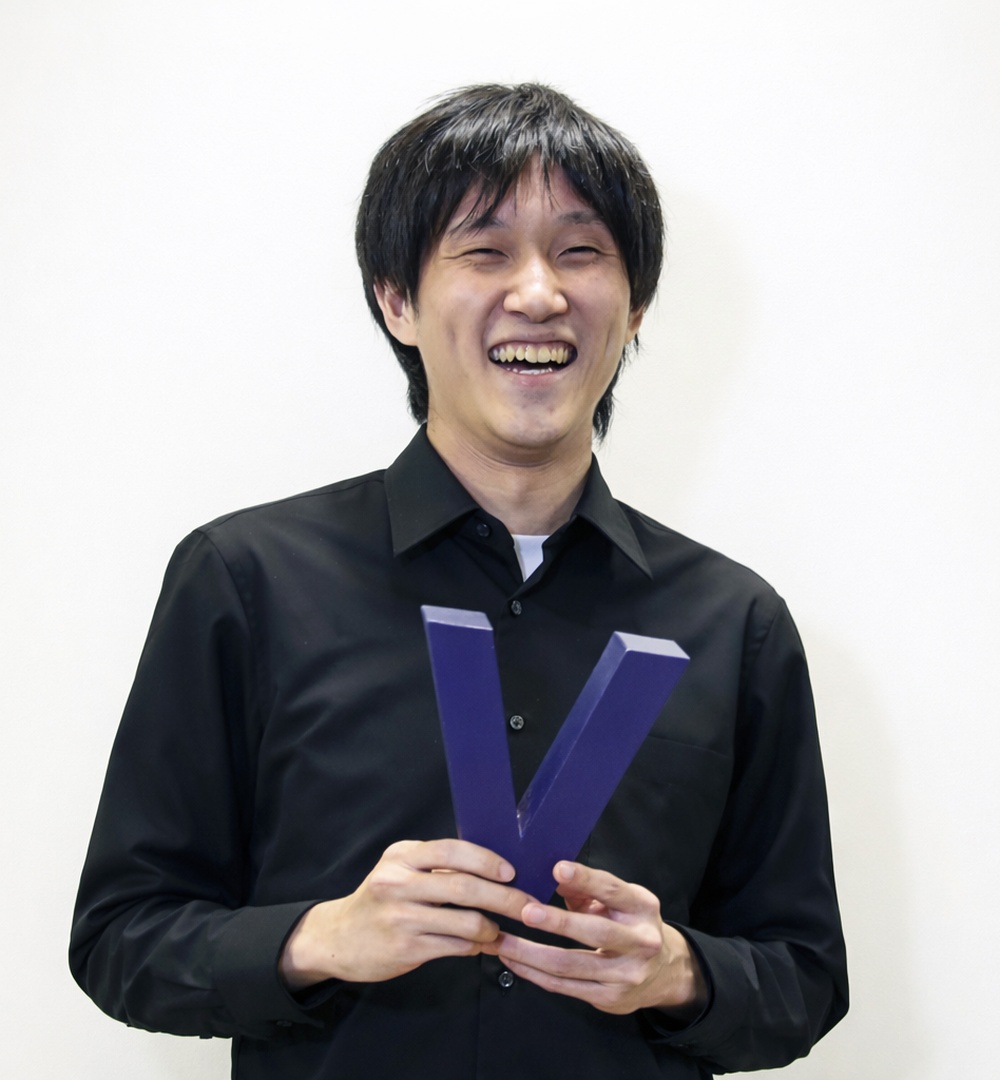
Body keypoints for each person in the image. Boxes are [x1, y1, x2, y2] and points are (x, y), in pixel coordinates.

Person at [70, 84, 847, 1079]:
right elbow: (121, 938)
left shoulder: (732, 622)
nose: (538, 293)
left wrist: (678, 971)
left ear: (635, 305)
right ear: (396, 300)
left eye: (581, 251)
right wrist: (320, 938)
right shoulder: (246, 580)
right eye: (484, 251)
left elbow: (804, 978)